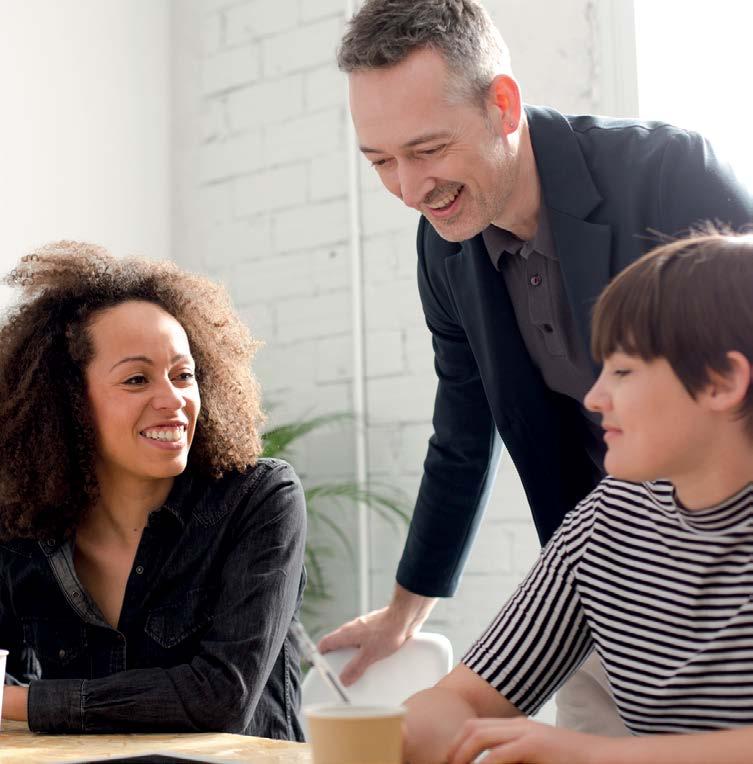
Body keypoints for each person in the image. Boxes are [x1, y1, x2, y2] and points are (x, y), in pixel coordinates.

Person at [319, 0, 753, 731]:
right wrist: (406, 608)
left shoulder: (665, 172)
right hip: (606, 558)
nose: (407, 189)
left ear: (502, 104)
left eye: (426, 150)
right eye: (380, 161)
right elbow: (461, 429)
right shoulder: (444, 246)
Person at [401, 229, 753, 764]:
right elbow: (469, 698)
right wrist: (395, 736)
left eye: (624, 371)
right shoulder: (608, 521)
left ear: (722, 381)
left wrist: (591, 756)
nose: (594, 396)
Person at [0, 241, 306, 739]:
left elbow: (221, 698)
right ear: (67, 401)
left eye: (184, 375)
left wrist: (16, 702)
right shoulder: (23, 527)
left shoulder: (260, 498)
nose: (174, 400)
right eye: (138, 379)